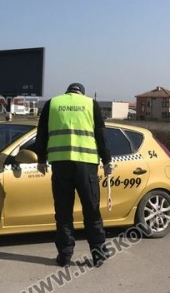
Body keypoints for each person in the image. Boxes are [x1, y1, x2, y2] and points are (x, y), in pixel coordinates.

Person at [33, 82, 114, 268]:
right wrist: (107, 160)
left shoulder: (52, 103)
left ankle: (65, 255)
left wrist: (40, 159)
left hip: (60, 164)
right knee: (92, 210)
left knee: (63, 212)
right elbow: (101, 135)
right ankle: (98, 254)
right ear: (81, 93)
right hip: (86, 165)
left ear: (67, 91)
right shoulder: (90, 104)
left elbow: (41, 134)